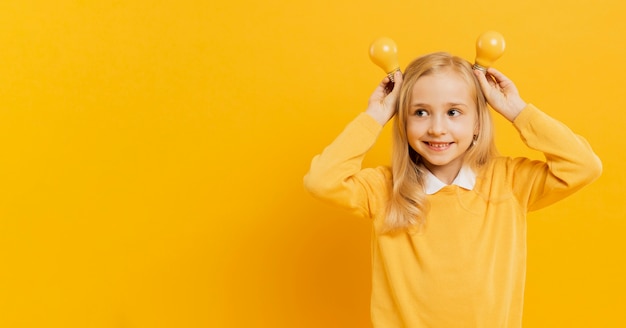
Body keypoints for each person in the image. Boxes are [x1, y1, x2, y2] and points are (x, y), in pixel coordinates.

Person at [303, 52, 602, 327]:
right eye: (420, 112)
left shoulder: (509, 181)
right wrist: (375, 116)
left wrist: (516, 111)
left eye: (454, 112)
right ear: (402, 121)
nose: (436, 128)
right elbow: (321, 180)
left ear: (477, 123)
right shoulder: (384, 188)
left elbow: (583, 166)